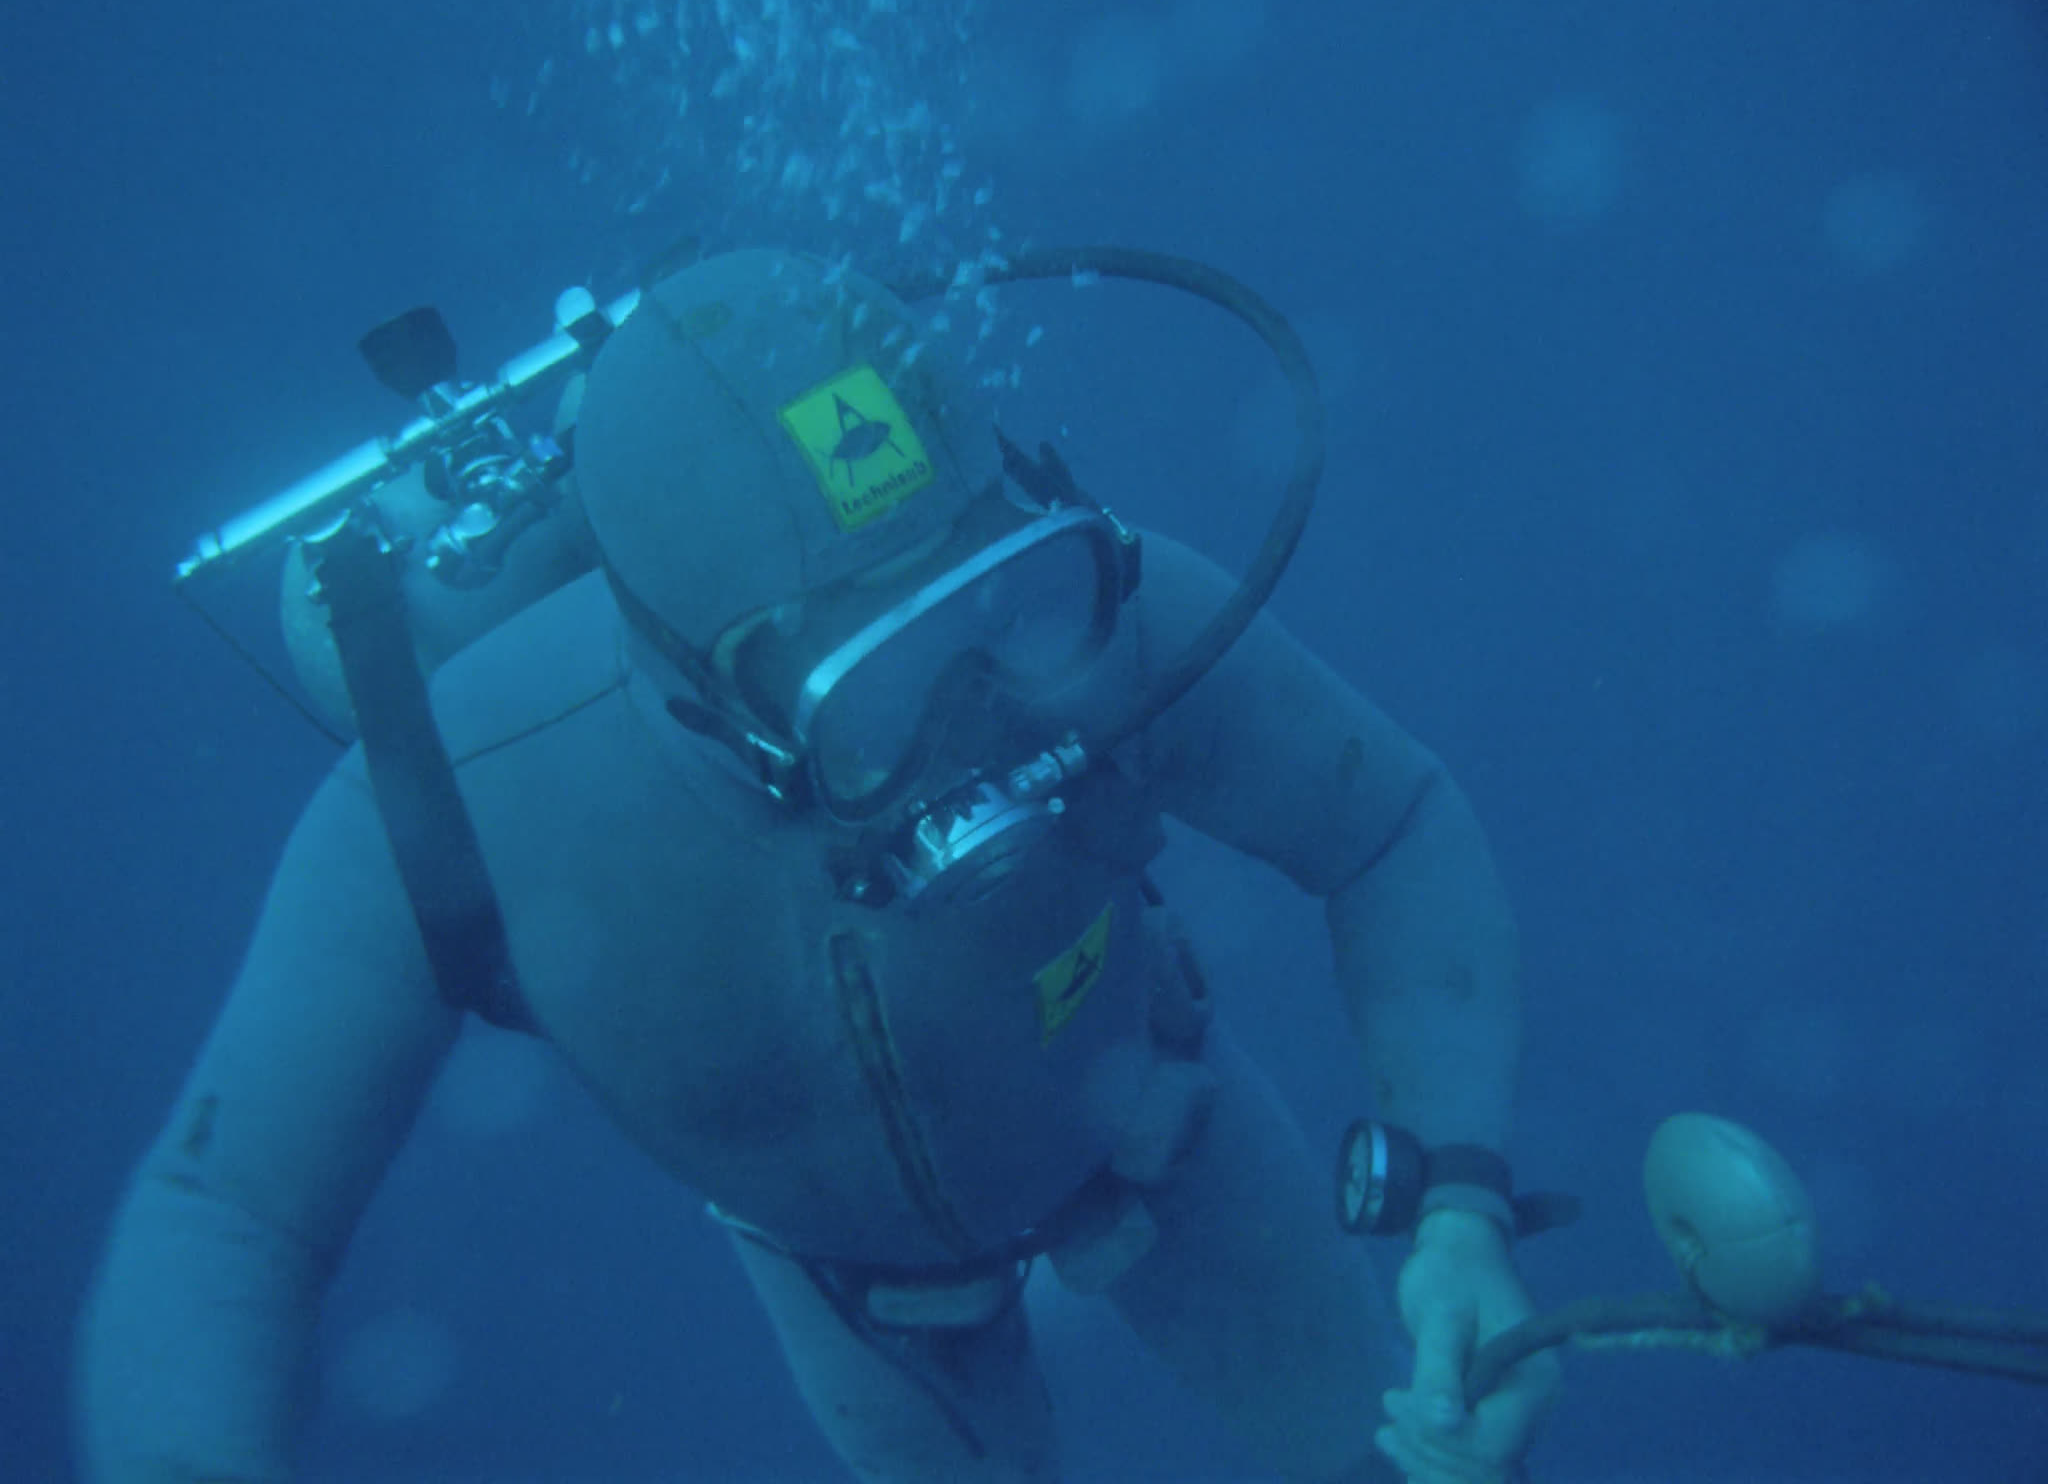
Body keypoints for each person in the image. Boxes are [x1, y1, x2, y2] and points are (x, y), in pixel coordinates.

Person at [77, 248, 1560, 1483]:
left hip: (1169, 1137)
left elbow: (1390, 824)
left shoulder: (1104, 611)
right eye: (874, 691)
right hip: (872, 1313)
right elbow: (229, 1215)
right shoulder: (456, 798)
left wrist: (1461, 1207)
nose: (981, 717)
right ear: (689, 682)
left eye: (1005, 605)